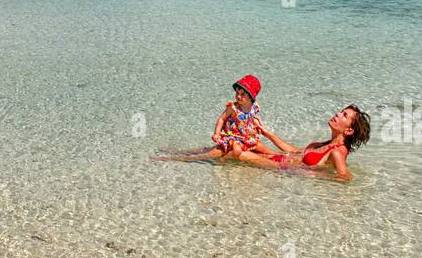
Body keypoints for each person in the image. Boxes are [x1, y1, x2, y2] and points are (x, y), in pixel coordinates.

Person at [154, 76, 289, 163]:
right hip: (233, 137)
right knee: (207, 154)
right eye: (237, 93)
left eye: (243, 94)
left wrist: (256, 124)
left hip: (248, 136)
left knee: (265, 149)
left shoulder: (255, 107)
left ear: (252, 97)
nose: (238, 96)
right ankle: (175, 157)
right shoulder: (233, 108)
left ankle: (284, 158)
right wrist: (217, 133)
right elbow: (221, 119)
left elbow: (251, 118)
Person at [232, 106, 371, 181]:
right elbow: (293, 151)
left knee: (236, 153)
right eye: (341, 111)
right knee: (239, 144)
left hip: (281, 166)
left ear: (349, 130)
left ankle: (209, 159)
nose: (338, 114)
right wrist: (266, 132)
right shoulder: (325, 144)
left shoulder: (338, 151)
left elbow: (345, 178)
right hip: (279, 159)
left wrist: (312, 174)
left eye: (344, 115)